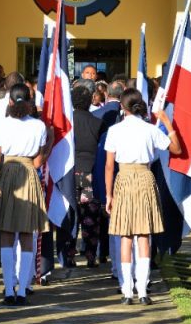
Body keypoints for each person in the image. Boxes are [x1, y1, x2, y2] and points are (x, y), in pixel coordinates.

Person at [105, 89, 181, 305]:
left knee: (126, 236)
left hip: (125, 179)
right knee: (144, 237)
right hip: (146, 179)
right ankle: (143, 290)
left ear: (122, 106)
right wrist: (166, 121)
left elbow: (109, 166)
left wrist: (109, 195)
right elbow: (176, 148)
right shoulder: (150, 129)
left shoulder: (115, 130)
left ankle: (127, 291)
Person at [0, 83, 51, 305]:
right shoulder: (39, 126)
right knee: (26, 234)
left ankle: (8, 289)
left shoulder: (1, 125)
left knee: (6, 234)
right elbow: (39, 160)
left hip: (7, 175)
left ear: (10, 102)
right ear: (30, 102)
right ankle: (22, 290)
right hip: (29, 174)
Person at [70, 84, 108, 268]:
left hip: (70, 172)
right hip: (89, 173)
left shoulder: (67, 122)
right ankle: (91, 256)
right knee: (90, 217)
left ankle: (67, 255)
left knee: (70, 214)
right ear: (90, 101)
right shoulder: (98, 122)